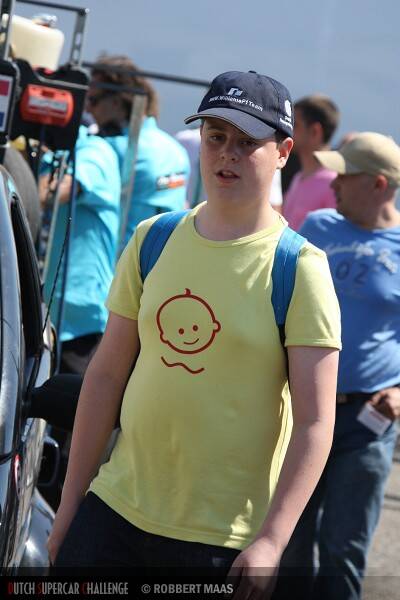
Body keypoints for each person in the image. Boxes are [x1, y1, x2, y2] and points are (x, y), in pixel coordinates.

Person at [48, 70, 341, 598]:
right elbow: (105, 376)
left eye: (247, 142)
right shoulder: (153, 239)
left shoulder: (299, 268)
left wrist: (271, 541)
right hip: (113, 511)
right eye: (216, 136)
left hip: (219, 540)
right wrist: (70, 504)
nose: (227, 153)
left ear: (283, 152)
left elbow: (316, 422)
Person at [280, 132, 400, 600]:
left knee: (343, 550)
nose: (332, 184)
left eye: (344, 176)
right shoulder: (318, 226)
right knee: (288, 540)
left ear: (378, 184)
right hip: (302, 410)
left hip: (366, 422)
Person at [87, 54, 190, 248]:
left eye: (92, 100)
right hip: (168, 257)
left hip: (125, 260)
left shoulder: (112, 149)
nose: (87, 110)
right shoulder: (177, 151)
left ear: (116, 102)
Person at [283, 94, 339, 230]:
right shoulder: (299, 177)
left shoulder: (333, 184)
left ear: (315, 131)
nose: (288, 130)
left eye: (295, 125)